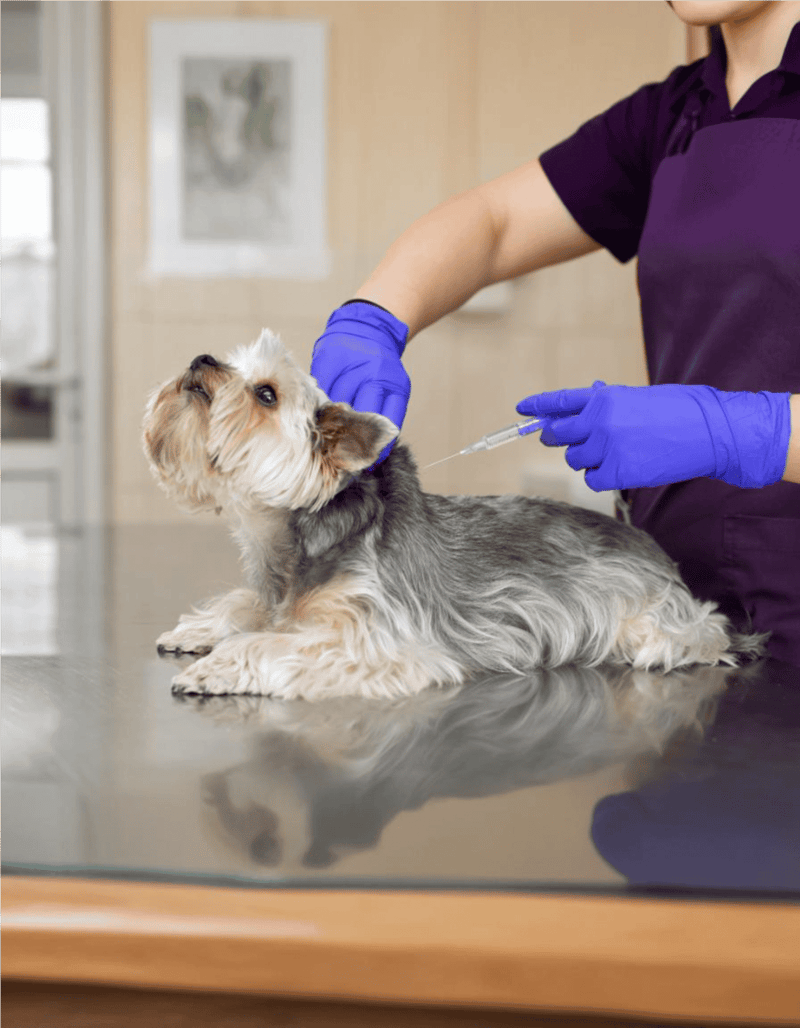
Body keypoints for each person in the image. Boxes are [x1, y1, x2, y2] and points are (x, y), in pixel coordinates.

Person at [310, 0, 800, 665]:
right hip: (675, 623)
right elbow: (496, 222)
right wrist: (373, 316)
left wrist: (742, 432)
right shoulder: (673, 117)